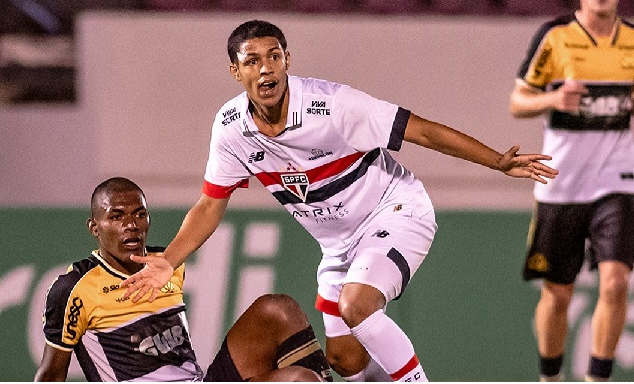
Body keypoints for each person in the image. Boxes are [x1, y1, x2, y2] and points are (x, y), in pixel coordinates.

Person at [121, 20, 559, 382]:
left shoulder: (331, 106)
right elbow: (210, 204)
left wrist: (496, 162)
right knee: (346, 361)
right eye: (252, 60)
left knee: (356, 305)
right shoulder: (231, 128)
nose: (266, 68)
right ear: (236, 72)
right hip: (338, 246)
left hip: (396, 210)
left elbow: (421, 130)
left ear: (288, 60)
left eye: (275, 56)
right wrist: (170, 259)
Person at [34, 177, 331, 382]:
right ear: (94, 227)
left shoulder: (169, 264)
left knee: (279, 312)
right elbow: (51, 374)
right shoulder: (74, 288)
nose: (131, 225)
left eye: (140, 214)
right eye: (116, 216)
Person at [509, 0, 634, 381]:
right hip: (562, 185)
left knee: (615, 283)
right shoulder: (556, 37)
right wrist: (551, 99)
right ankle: (550, 376)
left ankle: (598, 378)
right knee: (558, 292)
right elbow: (517, 101)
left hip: (619, 181)